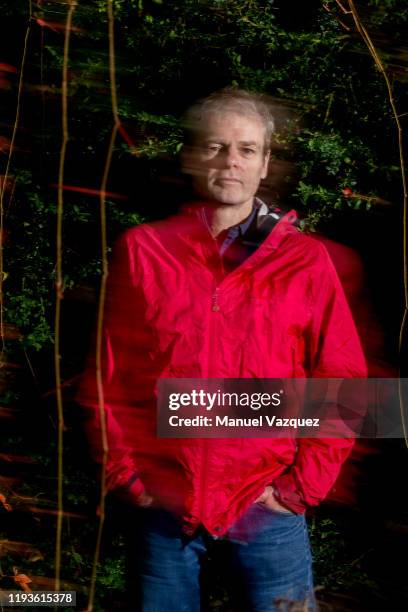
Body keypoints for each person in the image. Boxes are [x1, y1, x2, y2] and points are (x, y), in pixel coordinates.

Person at [78, 88, 367, 611]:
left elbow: (343, 381)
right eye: (214, 146)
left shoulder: (308, 263)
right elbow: (107, 376)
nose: (230, 161)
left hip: (268, 507)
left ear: (265, 163)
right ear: (191, 156)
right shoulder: (144, 250)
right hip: (165, 502)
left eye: (246, 149)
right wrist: (129, 476)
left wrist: (298, 489)